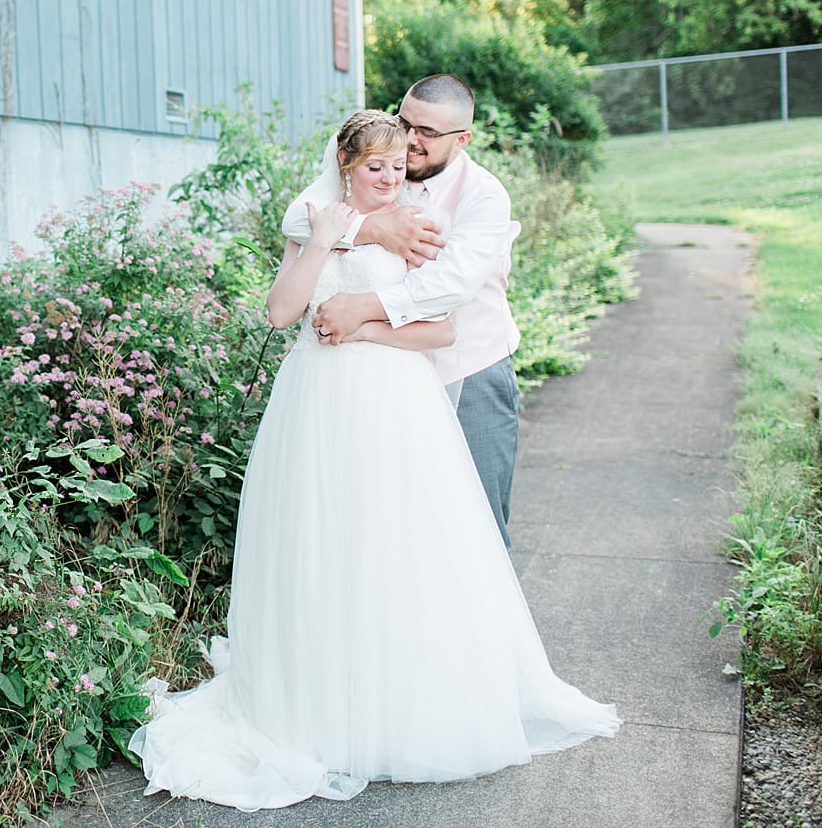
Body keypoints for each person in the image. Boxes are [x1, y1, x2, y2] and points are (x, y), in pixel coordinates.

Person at [129, 111, 618, 811]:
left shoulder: (418, 221)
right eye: (375, 169)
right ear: (346, 166)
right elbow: (279, 311)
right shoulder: (314, 217)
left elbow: (442, 325)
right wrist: (327, 238)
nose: (390, 179)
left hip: (395, 402)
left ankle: (395, 703)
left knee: (396, 543)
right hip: (315, 403)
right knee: (321, 542)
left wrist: (362, 323)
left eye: (397, 168)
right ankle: (317, 704)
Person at [283, 74, 522, 550]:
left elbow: (448, 285)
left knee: (478, 529)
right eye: (405, 120)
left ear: (463, 139)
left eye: (428, 133)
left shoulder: (484, 195)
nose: (410, 140)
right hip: (378, 386)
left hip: (466, 371)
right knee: (395, 528)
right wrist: (373, 230)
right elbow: (296, 219)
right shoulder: (371, 150)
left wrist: (362, 312)